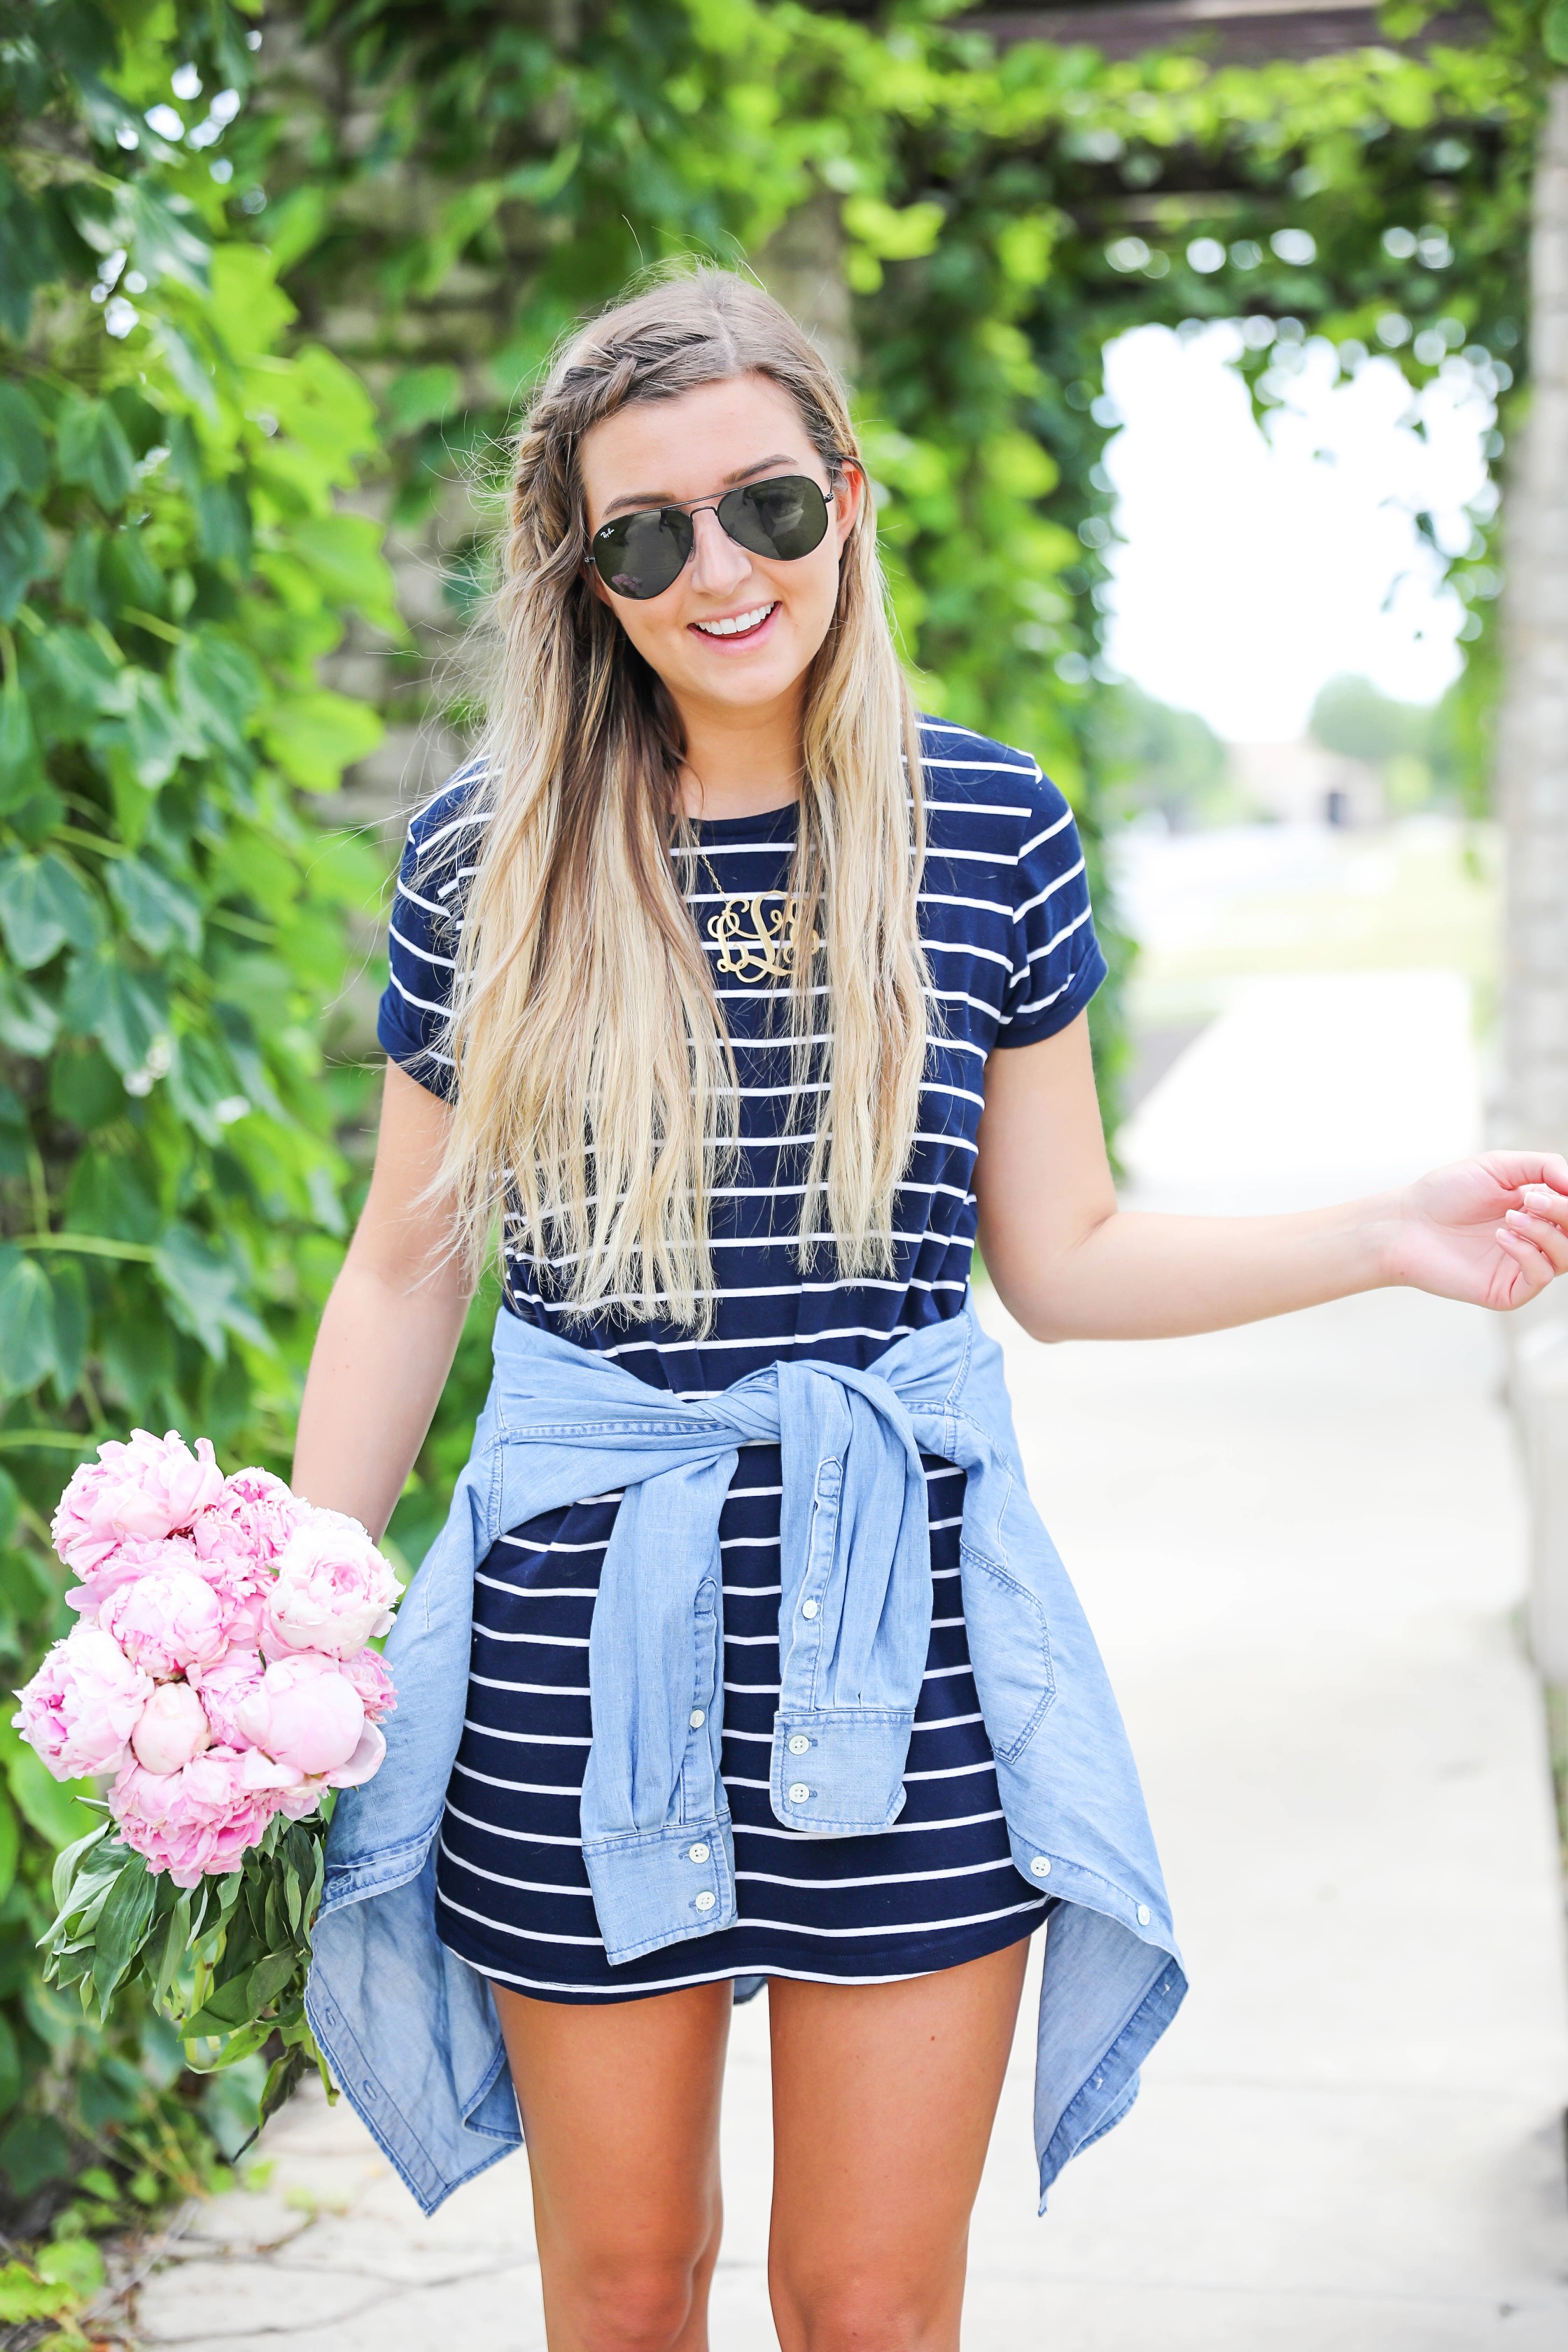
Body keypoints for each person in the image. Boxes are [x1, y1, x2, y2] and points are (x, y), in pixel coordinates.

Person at [293, 267, 1568, 2352]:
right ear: (585, 574)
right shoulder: (484, 862)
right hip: (570, 1641)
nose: (722, 570)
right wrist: (290, 1611)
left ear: (850, 500)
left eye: (767, 506)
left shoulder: (988, 830)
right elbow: (402, 1265)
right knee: (618, 2297)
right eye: (649, 534)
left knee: (872, 2307)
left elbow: (1060, 1257)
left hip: (913, 1660)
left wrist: (1381, 1232)